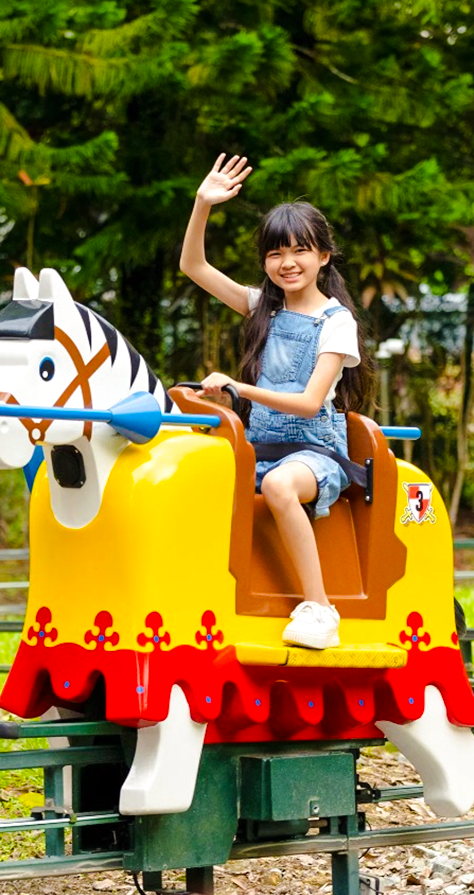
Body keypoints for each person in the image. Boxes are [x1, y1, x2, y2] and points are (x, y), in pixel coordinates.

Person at [179, 154, 375, 650]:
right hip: (257, 448)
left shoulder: (336, 322)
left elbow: (309, 403)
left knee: (282, 485)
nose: (287, 262)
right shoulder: (261, 307)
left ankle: (320, 608)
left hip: (315, 454)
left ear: (323, 256)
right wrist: (202, 204)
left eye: (300, 250)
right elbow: (193, 266)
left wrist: (238, 390)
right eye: (275, 253)